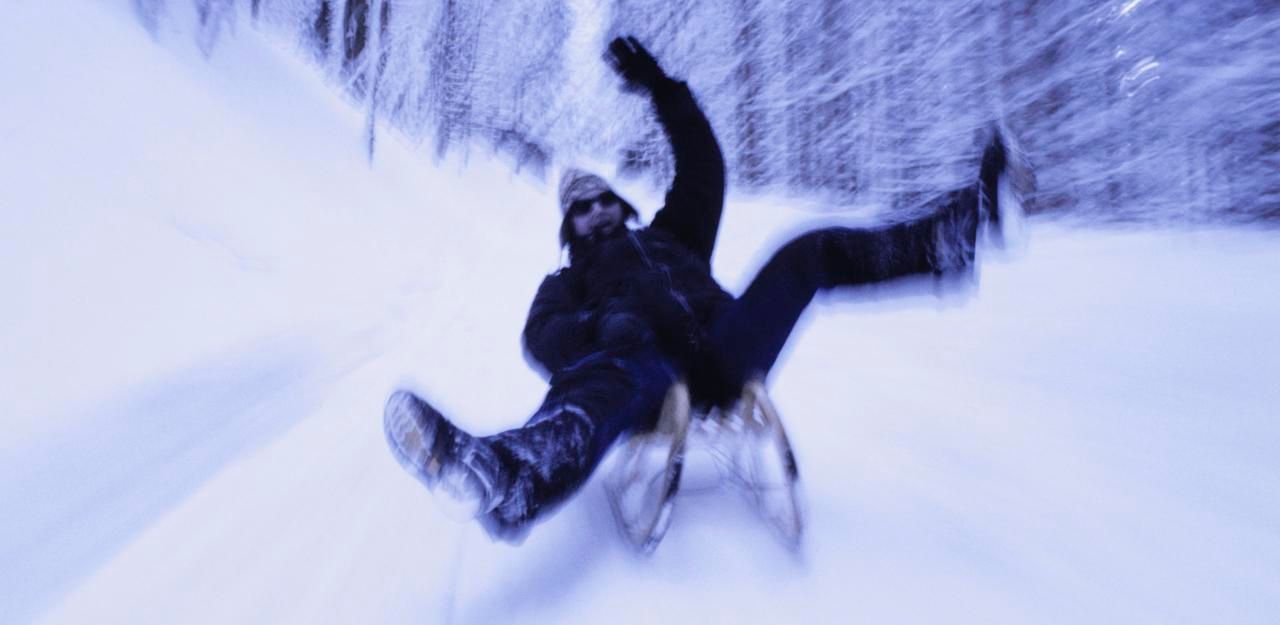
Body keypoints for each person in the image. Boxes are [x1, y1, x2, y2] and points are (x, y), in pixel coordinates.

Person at [384, 36, 1015, 543]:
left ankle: (945, 240)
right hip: (646, 375)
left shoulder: (673, 234)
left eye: (604, 199)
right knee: (604, 380)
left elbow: (705, 168)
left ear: (622, 205)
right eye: (581, 208)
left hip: (728, 347)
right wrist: (600, 328)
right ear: (568, 227)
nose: (597, 211)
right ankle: (513, 477)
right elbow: (539, 338)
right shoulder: (568, 282)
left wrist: (663, 90)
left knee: (806, 253)